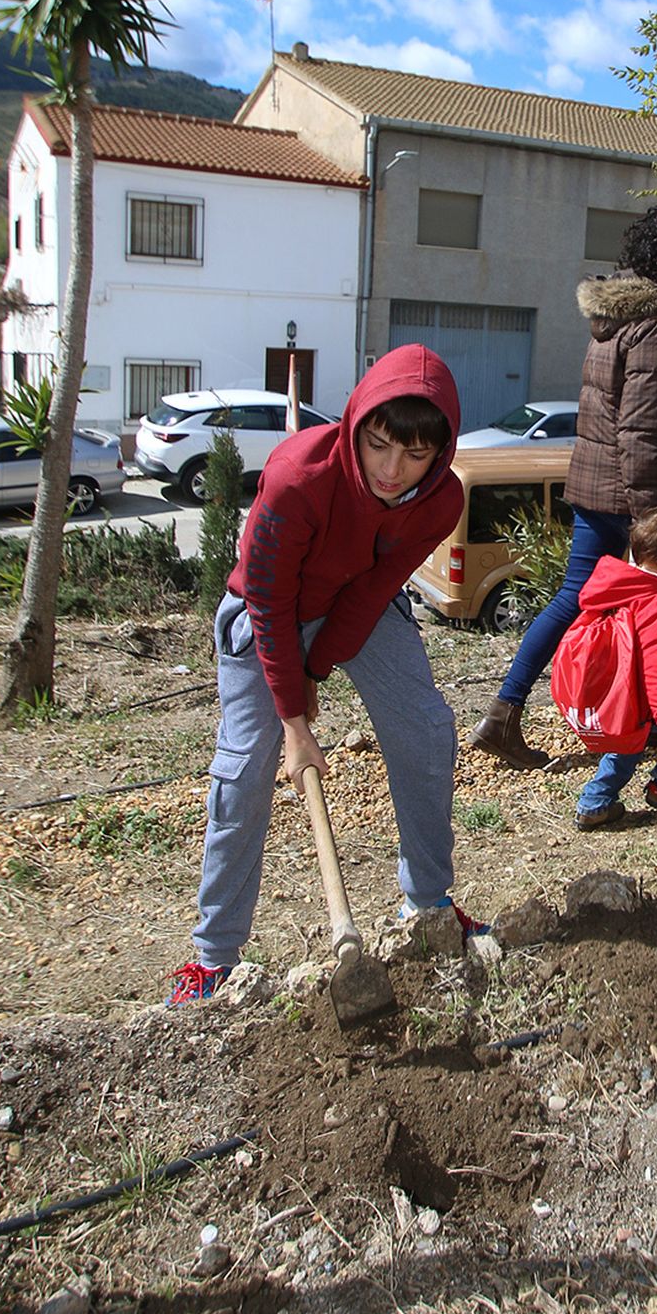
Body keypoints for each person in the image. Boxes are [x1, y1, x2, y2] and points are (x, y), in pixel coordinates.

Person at [166, 346, 474, 1006]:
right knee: (247, 765)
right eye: (379, 444)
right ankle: (213, 957)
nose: (392, 471)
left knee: (426, 729)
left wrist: (316, 670)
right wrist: (293, 717)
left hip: (354, 606)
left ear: (439, 452)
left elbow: (372, 593)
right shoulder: (298, 477)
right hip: (265, 610)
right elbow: (271, 602)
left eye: (414, 455)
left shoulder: (440, 500)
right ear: (357, 424)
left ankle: (427, 906)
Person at [472, 198, 657, 767]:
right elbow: (638, 437)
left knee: (572, 598)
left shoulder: (617, 320)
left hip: (594, 488)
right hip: (634, 496)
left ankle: (503, 713)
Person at [562, 505, 657, 832]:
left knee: (626, 745)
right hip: (642, 696)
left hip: (614, 692)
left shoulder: (612, 586)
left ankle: (594, 803)